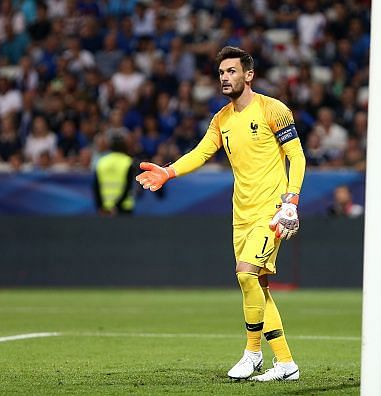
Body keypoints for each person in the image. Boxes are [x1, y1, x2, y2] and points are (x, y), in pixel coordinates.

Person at [135, 46, 306, 381]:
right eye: (221, 73)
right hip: (240, 214)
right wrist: (168, 172)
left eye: (231, 71)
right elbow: (201, 152)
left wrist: (291, 200)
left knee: (245, 274)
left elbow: (297, 157)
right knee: (257, 284)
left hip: (271, 210)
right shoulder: (221, 119)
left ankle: (252, 354)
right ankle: (286, 364)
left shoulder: (274, 110)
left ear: (248, 74)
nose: (225, 78)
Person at [93, 134, 135, 215]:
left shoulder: (101, 161)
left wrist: (100, 206)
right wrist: (116, 207)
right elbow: (128, 187)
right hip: (123, 208)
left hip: (105, 209)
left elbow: (96, 186)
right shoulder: (128, 161)